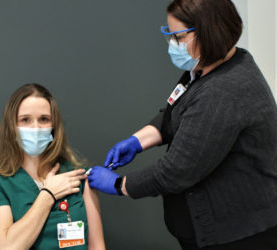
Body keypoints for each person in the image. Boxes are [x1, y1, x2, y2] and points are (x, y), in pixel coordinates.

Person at [88, 0, 277, 249]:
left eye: (178, 37)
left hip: (238, 235)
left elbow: (175, 172)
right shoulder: (205, 68)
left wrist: (118, 184)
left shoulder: (223, 91)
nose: (172, 45)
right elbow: (175, 111)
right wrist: (138, 140)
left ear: (209, 33)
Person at [0, 84, 105, 250]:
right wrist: (48, 195)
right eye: (25, 120)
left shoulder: (78, 175)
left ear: (54, 125)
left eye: (44, 119)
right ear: (11, 126)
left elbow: (97, 246)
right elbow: (7, 247)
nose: (36, 128)